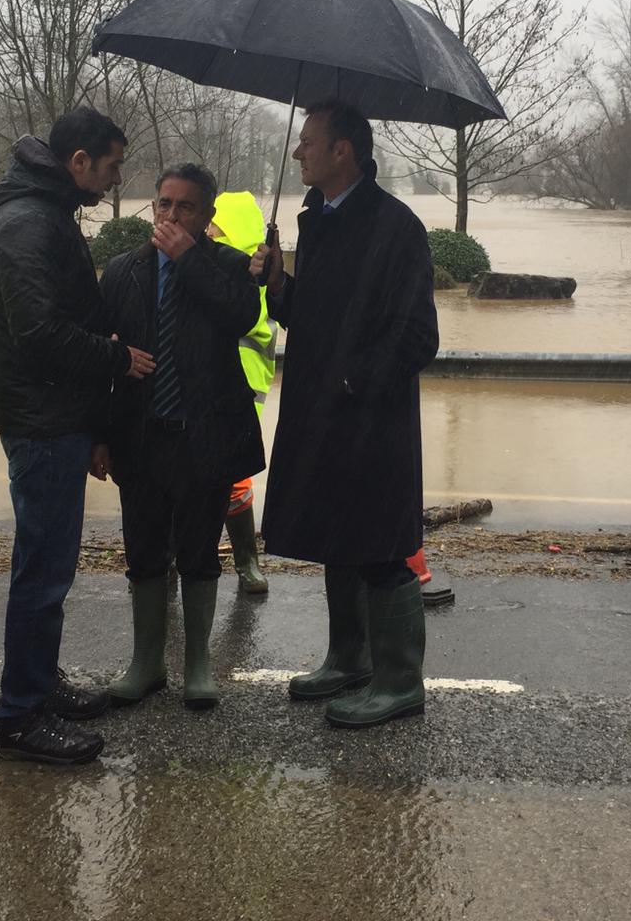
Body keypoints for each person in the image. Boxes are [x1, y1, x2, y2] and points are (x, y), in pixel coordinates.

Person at [249, 100, 439, 729]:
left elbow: (418, 335)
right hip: (320, 409)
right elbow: (313, 315)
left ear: (343, 152)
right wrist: (279, 285)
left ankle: (399, 681)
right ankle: (349, 658)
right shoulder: (318, 221)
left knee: (382, 545)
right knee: (339, 536)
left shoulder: (397, 227)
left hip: (371, 418)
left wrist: (357, 381)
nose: (299, 151)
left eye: (310, 142)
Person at [0, 108, 151, 764]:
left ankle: (40, 684)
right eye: (109, 168)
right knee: (43, 572)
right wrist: (116, 357)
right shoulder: (27, 223)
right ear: (78, 162)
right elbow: (39, 333)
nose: (112, 181)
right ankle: (20, 716)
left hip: (54, 419)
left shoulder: (43, 213)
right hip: (41, 423)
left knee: (49, 565)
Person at [101, 164, 265, 710]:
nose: (170, 216)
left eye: (185, 207)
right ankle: (145, 663)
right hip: (140, 438)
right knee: (144, 553)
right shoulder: (123, 271)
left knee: (199, 553)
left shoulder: (229, 267)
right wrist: (98, 435)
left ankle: (198, 664)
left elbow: (240, 315)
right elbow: (104, 356)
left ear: (207, 217)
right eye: (163, 204)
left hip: (207, 439)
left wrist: (188, 258)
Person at [207, 190, 275, 594]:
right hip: (208, 380)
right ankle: (184, 558)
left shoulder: (249, 269)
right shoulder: (208, 259)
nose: (207, 228)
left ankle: (246, 559)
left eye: (214, 222)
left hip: (239, 382)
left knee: (233, 475)